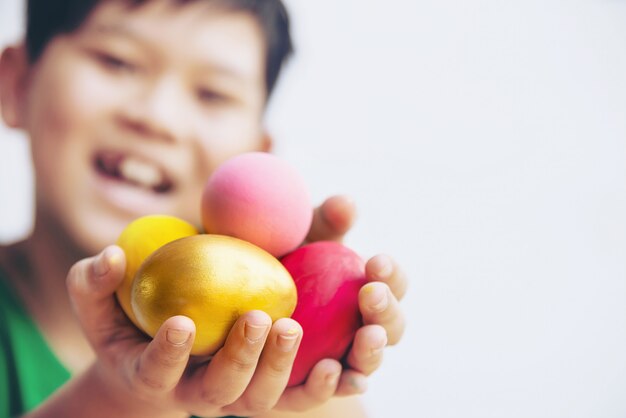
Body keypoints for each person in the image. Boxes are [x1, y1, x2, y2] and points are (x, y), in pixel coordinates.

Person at [0, 0, 407, 417]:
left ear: (254, 155)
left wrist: (314, 375)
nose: (158, 117)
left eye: (213, 93)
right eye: (117, 62)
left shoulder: (268, 383)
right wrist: (127, 395)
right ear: (16, 83)